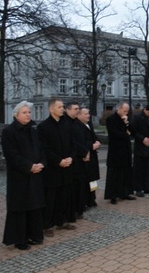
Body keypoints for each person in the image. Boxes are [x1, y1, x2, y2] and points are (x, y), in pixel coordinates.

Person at [1, 101, 46, 250]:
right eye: (25, 113)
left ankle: (34, 235)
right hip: (19, 177)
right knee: (20, 207)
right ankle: (19, 239)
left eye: (29, 112)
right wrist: (29, 166)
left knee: (34, 206)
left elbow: (41, 149)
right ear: (16, 115)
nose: (28, 115)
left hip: (35, 175)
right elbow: (12, 155)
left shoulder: (33, 130)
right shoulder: (9, 132)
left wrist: (41, 163)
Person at [37, 99, 77, 237]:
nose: (62, 109)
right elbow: (44, 149)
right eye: (59, 107)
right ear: (51, 109)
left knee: (64, 196)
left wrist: (71, 157)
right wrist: (59, 161)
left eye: (63, 107)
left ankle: (62, 221)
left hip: (67, 166)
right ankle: (47, 224)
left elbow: (73, 143)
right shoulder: (43, 127)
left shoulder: (67, 124)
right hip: (52, 169)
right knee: (51, 198)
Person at [105, 102, 136, 203]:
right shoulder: (110, 119)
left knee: (126, 173)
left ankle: (125, 193)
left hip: (126, 150)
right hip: (116, 151)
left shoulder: (127, 119)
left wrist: (127, 123)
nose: (126, 113)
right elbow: (115, 134)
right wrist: (127, 134)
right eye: (124, 110)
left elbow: (133, 132)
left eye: (127, 111)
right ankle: (113, 195)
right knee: (114, 174)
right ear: (119, 108)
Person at [64, 102, 88, 219]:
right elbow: (73, 142)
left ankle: (80, 208)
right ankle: (72, 210)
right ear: (67, 110)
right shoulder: (66, 123)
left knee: (80, 185)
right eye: (75, 109)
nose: (77, 111)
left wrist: (86, 151)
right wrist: (83, 152)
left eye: (78, 108)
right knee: (73, 187)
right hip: (74, 159)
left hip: (81, 159)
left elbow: (83, 138)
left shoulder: (77, 123)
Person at [77, 107, 101, 208]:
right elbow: (80, 141)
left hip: (93, 157)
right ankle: (86, 200)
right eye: (86, 114)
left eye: (88, 113)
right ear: (79, 115)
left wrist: (97, 142)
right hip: (86, 156)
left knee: (93, 179)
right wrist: (91, 146)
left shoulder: (89, 124)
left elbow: (93, 136)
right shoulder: (78, 127)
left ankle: (92, 198)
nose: (88, 115)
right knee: (86, 179)